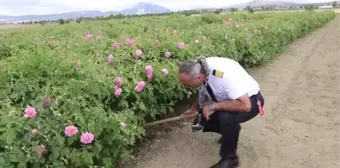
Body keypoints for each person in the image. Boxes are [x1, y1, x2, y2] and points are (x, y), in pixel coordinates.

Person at [178, 56, 264, 168]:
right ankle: (230, 132)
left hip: (251, 100)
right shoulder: (200, 68)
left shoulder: (225, 77)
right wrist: (194, 108)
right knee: (199, 124)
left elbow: (246, 106)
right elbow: (202, 89)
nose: (186, 87)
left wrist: (212, 106)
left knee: (226, 118)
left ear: (199, 78)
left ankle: (230, 159)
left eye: (187, 85)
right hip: (229, 98)